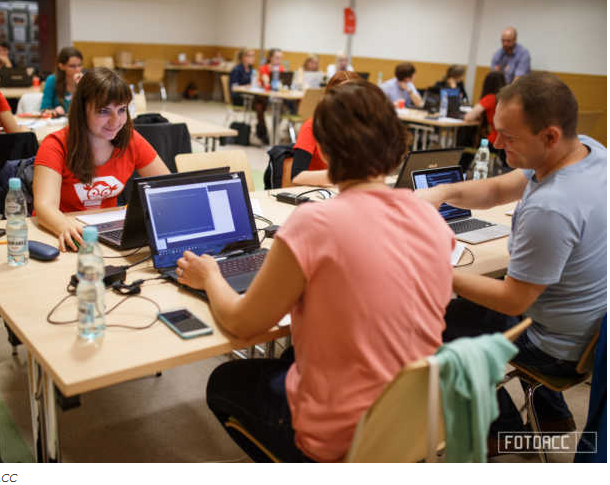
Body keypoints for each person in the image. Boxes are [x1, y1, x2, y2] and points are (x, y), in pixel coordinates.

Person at [176, 79, 455, 462]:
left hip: (342, 439)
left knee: (225, 381)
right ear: (395, 143)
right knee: (291, 356)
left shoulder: (315, 223)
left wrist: (210, 277)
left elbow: (243, 325)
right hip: (418, 421)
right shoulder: (430, 217)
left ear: (322, 149)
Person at [416, 72, 606, 449]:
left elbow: (512, 300)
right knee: (471, 302)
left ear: (550, 136)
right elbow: (499, 188)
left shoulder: (551, 208)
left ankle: (500, 429)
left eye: (508, 136)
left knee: (428, 321)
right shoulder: (587, 151)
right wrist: (442, 192)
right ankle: (550, 415)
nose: (495, 142)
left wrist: (436, 269)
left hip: (554, 348)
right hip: (588, 330)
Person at [34, 67, 169, 252]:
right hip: (62, 234)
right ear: (82, 110)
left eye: (121, 110)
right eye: (104, 111)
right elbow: (44, 207)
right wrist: (65, 227)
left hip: (108, 233)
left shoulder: (131, 139)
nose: (115, 121)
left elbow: (166, 187)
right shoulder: (55, 145)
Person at [289, 71, 361, 187]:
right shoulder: (312, 126)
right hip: (319, 190)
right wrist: (341, 177)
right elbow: (297, 176)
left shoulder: (362, 128)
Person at [463, 71, 507, 163]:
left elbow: (468, 117)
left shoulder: (491, 98)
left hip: (495, 140)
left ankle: (463, 168)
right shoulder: (506, 98)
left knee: (468, 142)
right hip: (507, 139)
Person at [40, 46, 83, 117]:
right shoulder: (52, 80)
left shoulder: (84, 80)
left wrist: (82, 86)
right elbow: (44, 110)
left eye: (80, 65)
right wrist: (54, 111)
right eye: (72, 66)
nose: (78, 69)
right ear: (61, 66)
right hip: (59, 122)